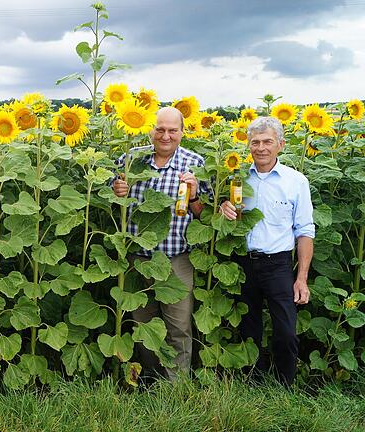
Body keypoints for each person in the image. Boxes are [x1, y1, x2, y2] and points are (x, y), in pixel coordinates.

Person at [112, 106, 209, 380]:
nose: (165, 136)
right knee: (143, 324)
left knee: (178, 325)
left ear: (182, 132)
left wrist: (192, 197)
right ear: (150, 129)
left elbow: (204, 214)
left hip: (176, 259)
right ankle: (150, 382)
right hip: (137, 258)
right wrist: (117, 190)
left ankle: (176, 387)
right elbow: (113, 194)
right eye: (160, 129)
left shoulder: (195, 163)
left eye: (172, 130)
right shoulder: (130, 159)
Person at [219, 116, 314, 386]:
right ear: (248, 145)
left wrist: (302, 278)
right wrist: (222, 208)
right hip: (243, 262)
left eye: (267, 142)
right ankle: (253, 381)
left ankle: (285, 385)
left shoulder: (296, 182)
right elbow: (226, 216)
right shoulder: (235, 178)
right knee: (249, 328)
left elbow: (305, 230)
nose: (261, 147)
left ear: (280, 145)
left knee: (285, 330)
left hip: (278, 264)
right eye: (255, 142)